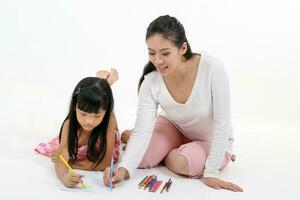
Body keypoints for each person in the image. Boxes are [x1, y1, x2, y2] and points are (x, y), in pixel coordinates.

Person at [103, 15, 243, 192]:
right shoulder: (151, 81)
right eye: (152, 53)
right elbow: (143, 130)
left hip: (210, 139)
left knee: (180, 162)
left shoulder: (212, 67)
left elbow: (222, 122)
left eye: (165, 53)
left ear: (183, 48)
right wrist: (123, 170)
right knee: (139, 159)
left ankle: (168, 149)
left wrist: (212, 171)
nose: (158, 61)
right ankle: (162, 145)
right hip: (173, 126)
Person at [35, 69, 120, 188]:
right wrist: (64, 177)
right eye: (83, 114)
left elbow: (104, 163)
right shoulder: (69, 125)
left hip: (104, 127)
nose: (89, 121)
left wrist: (70, 163)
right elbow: (60, 160)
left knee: (104, 101)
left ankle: (105, 82)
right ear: (75, 107)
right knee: (97, 98)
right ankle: (103, 82)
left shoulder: (108, 120)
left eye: (97, 116)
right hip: (84, 128)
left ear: (104, 113)